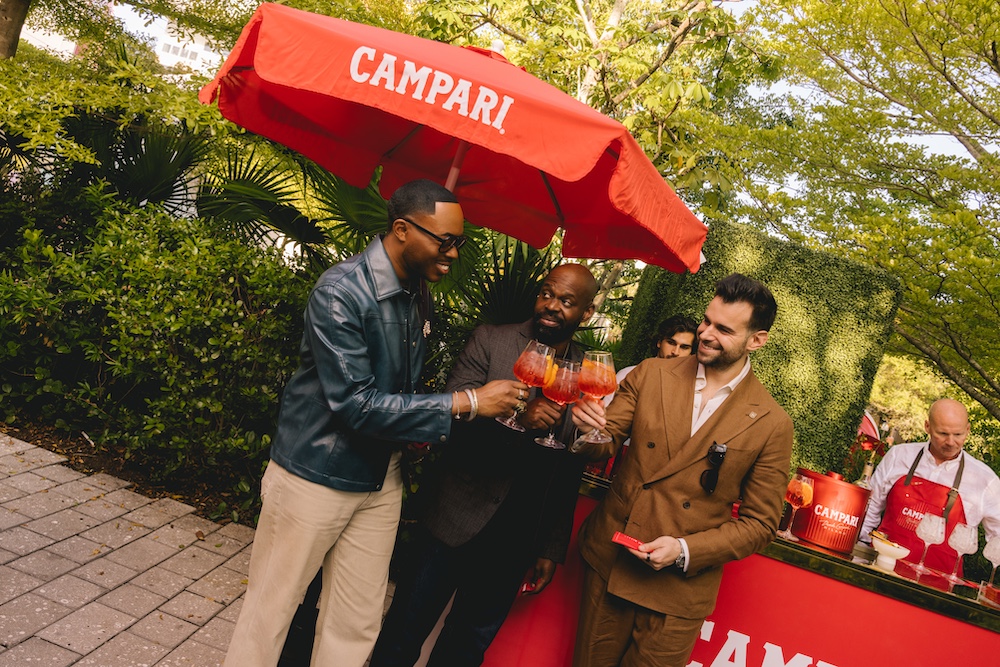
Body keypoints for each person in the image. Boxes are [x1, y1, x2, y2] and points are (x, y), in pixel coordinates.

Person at [223, 179, 526, 667]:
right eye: (445, 241)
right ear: (402, 230)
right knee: (270, 612)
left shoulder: (417, 292)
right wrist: (467, 402)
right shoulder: (340, 291)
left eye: (459, 242)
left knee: (356, 622)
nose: (453, 253)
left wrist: (417, 431)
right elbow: (356, 404)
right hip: (315, 476)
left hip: (382, 477)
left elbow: (398, 390)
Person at [369, 264, 599, 667]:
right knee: (404, 631)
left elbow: (566, 470)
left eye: (566, 301)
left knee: (466, 648)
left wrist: (549, 546)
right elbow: (451, 416)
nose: (551, 306)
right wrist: (520, 418)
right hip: (454, 516)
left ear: (587, 313)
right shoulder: (492, 339)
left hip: (517, 536)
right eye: (547, 293)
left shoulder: (588, 373)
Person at [570, 273, 794, 667]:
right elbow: (604, 441)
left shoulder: (771, 422)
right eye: (707, 321)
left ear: (756, 340)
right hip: (613, 561)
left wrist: (684, 551)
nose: (705, 334)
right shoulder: (651, 373)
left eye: (724, 330)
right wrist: (588, 428)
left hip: (680, 593)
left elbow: (761, 525)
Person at [859, 398, 1000, 575]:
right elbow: (869, 509)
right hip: (880, 570)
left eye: (958, 435)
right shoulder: (899, 456)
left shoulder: (985, 480)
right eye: (943, 433)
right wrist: (859, 553)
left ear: (968, 430)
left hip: (938, 586)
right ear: (927, 427)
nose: (950, 442)